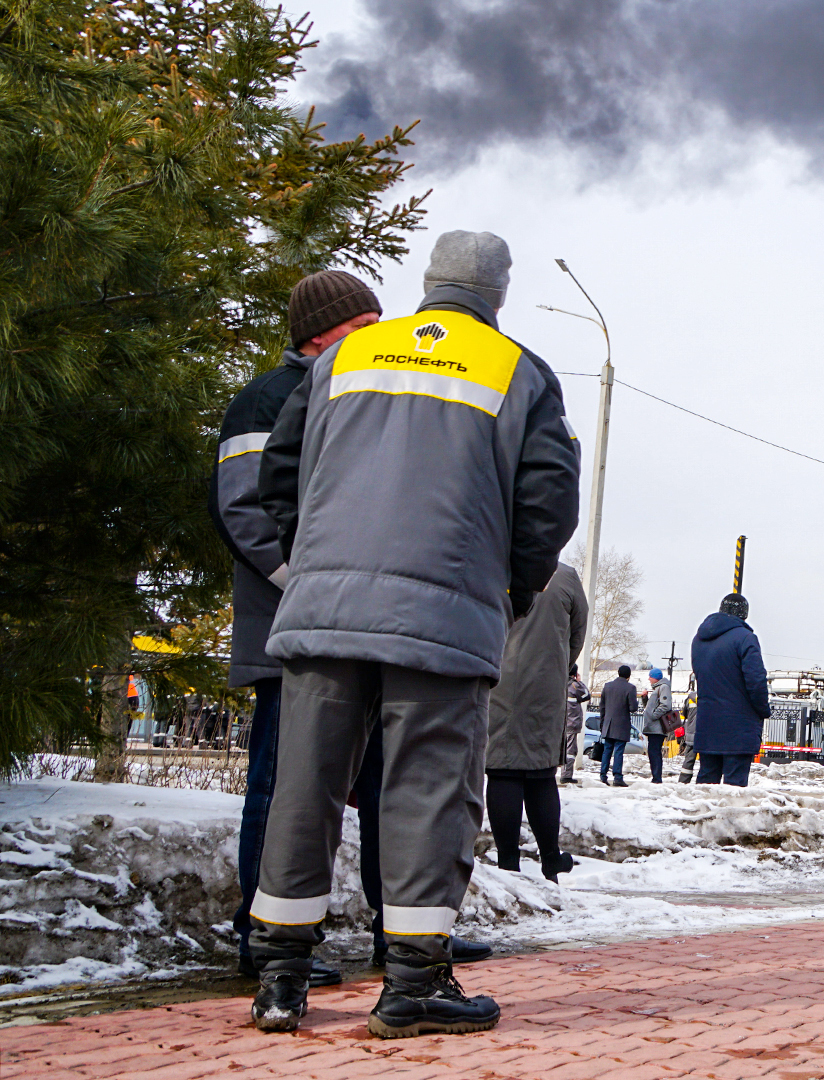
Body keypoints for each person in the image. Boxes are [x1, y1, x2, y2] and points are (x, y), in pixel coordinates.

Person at [247, 230, 580, 1038]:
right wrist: (511, 591)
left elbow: (279, 473)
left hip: (326, 611)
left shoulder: (345, 359)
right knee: (430, 789)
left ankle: (281, 979)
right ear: (497, 294)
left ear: (427, 282)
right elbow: (548, 502)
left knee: (306, 785)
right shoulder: (521, 373)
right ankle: (412, 986)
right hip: (443, 615)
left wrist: (318, 559)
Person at [214, 270, 383, 989]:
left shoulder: (355, 392)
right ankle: (265, 941)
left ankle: (399, 933)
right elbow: (245, 509)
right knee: (283, 785)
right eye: (364, 327)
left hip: (356, 625)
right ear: (321, 333)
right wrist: (305, 585)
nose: (380, 339)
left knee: (379, 784)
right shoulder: (267, 398)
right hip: (292, 628)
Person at [485, 562, 587, 882]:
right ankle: (550, 859)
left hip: (498, 678)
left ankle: (508, 863)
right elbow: (578, 632)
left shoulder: (494, 566)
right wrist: (559, 664)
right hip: (546, 682)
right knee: (542, 773)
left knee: (502, 770)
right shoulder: (565, 576)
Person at [690, 593, 771, 786]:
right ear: (743, 614)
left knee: (706, 784)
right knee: (734, 788)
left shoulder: (698, 640)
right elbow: (756, 681)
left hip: (708, 723)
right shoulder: (746, 638)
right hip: (738, 726)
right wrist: (762, 710)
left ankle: (703, 816)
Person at [598, 665, 639, 786]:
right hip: (621, 725)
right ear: (629, 676)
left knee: (607, 750)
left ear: (618, 673)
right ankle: (617, 777)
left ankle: (603, 775)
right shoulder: (630, 688)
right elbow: (633, 708)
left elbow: (602, 706)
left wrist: (603, 723)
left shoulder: (607, 686)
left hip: (608, 724)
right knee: (618, 751)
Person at [640, 668, 673, 784]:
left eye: (650, 676)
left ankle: (657, 778)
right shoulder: (658, 689)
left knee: (654, 752)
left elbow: (665, 706)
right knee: (653, 752)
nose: (649, 679)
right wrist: (645, 699)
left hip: (657, 727)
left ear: (655, 677)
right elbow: (649, 708)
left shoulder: (663, 687)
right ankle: (655, 776)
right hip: (653, 727)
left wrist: (653, 716)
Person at [560, 666, 588, 785]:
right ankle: (566, 775)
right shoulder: (574, 685)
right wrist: (579, 681)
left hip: (559, 723)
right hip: (571, 723)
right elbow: (586, 695)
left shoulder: (559, 683)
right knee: (570, 751)